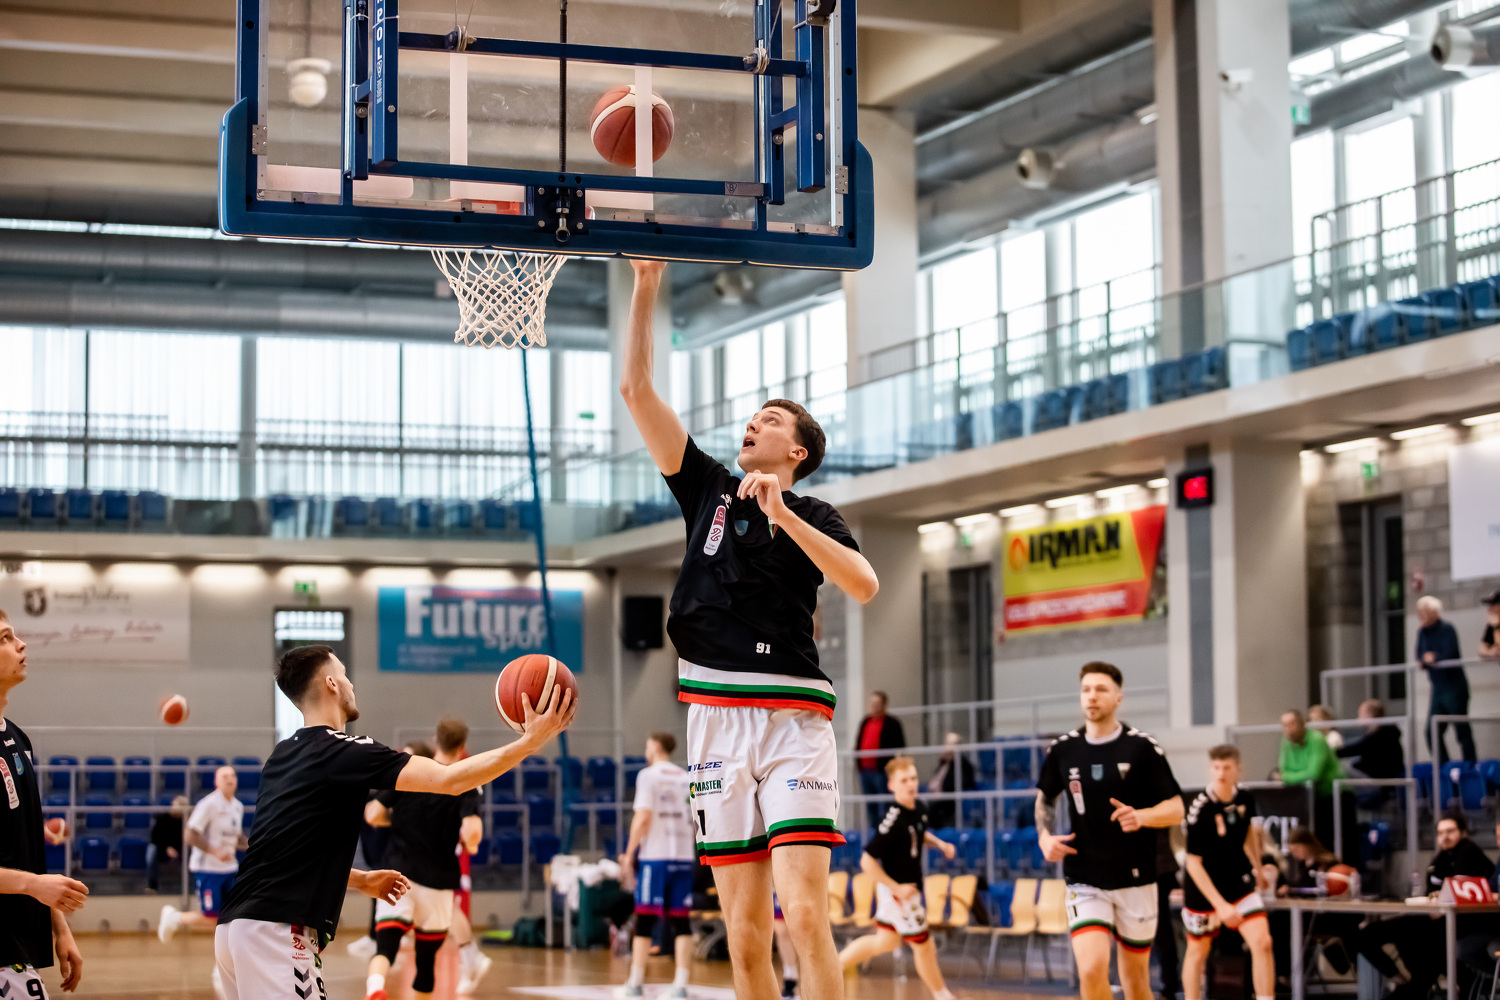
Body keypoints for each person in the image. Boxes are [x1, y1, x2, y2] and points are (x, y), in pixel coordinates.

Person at [619, 259, 880, 1000]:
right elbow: (636, 391)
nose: (754, 422)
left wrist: (783, 516)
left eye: (771, 419)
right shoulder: (706, 486)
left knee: (806, 914)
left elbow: (864, 585)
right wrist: (646, 284)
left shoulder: (814, 515)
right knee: (743, 934)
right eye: (753, 416)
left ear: (797, 452)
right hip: (714, 717)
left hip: (794, 719)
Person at [213, 644, 575, 1000]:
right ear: (331, 684)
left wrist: (360, 880)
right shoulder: (345, 750)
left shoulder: (281, 755)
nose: (350, 683)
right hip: (277, 930)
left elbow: (278, 852)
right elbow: (450, 780)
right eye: (344, 674)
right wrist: (529, 743)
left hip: (233, 928)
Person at [1035, 662, 1184, 1000]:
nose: (1092, 696)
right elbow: (1044, 799)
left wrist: (1142, 816)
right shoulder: (1063, 749)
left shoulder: (1142, 747)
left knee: (1136, 981)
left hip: (1136, 878)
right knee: (1091, 969)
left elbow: (1176, 808)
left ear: (1118, 697)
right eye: (1086, 689)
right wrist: (1044, 837)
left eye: (1101, 689)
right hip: (1085, 876)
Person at [0, 609, 86, 996]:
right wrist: (34, 884)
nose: (21, 645)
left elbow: (27, 849)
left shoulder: (19, 739)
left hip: (19, 942)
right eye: (5, 638)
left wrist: (59, 926)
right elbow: (31, 877)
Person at [362, 730, 483, 1000]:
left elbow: (372, 813)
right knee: (426, 963)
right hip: (437, 882)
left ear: (435, 742)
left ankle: (375, 987)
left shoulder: (409, 776)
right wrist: (471, 844)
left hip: (398, 873)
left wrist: (396, 820)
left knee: (385, 949)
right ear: (462, 747)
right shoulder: (464, 784)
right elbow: (473, 832)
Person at [838, 756, 957, 1000]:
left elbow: (919, 833)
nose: (911, 784)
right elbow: (867, 861)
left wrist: (941, 845)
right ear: (891, 785)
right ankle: (943, 996)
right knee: (924, 946)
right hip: (899, 893)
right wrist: (897, 889)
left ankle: (832, 967)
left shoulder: (919, 808)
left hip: (906, 891)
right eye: (904, 780)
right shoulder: (892, 820)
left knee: (885, 942)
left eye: (913, 778)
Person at [1360, 811, 1494, 1000]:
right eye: (1440, 832)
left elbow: (1459, 891)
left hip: (1466, 922)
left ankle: (1417, 987)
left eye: (1450, 831)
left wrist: (1439, 899)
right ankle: (1409, 983)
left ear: (1463, 832)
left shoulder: (1468, 851)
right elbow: (1432, 890)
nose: (1445, 837)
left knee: (1416, 939)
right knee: (1382, 935)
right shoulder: (1442, 857)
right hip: (1436, 919)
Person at [1180, 746, 1273, 1000]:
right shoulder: (1199, 809)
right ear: (1210, 769)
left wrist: (1258, 868)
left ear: (1238, 769)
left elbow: (1248, 832)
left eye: (1227, 767)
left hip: (1237, 880)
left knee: (1263, 942)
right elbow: (1193, 863)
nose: (1221, 773)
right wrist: (1220, 906)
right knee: (1198, 951)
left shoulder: (1246, 798)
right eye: (1216, 767)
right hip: (1203, 887)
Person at [618, 733, 696, 1000]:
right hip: (684, 855)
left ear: (657, 746)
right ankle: (681, 985)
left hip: (656, 856)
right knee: (682, 921)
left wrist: (629, 854)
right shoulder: (686, 777)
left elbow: (642, 817)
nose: (646, 748)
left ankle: (635, 983)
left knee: (645, 919)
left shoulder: (648, 776)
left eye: (648, 744)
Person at [160, 766, 247, 943]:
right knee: (212, 919)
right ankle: (175, 917)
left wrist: (254, 846)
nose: (229, 779)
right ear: (216, 781)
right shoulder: (209, 804)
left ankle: (224, 958)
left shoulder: (237, 806)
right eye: (224, 776)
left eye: (232, 775)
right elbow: (189, 834)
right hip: (208, 869)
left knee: (232, 918)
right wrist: (213, 850)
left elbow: (237, 837)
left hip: (230, 869)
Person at [1416, 595, 1475, 765]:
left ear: (1434, 612)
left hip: (1454, 686)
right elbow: (1420, 656)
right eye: (1420, 612)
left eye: (1424, 612)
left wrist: (1434, 658)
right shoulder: (1422, 632)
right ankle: (1443, 767)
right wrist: (1428, 659)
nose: (1421, 615)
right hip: (1437, 687)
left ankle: (1470, 765)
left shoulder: (1447, 629)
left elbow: (1450, 653)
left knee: (1461, 729)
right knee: (1431, 731)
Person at [854, 692, 905, 826]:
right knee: (870, 806)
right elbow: (859, 742)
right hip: (865, 771)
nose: (874, 707)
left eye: (877, 704)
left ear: (884, 705)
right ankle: (873, 832)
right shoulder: (866, 721)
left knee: (884, 805)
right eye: (872, 704)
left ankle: (885, 831)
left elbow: (900, 747)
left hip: (881, 771)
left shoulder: (892, 723)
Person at [1334, 698, 1404, 780]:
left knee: (1342, 769)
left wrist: (1331, 751)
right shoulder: (1383, 732)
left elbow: (1357, 748)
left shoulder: (1382, 734)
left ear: (1370, 714)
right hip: (1380, 776)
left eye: (1360, 714)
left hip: (1380, 778)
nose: (1358, 718)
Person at [926, 733, 976, 830]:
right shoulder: (944, 763)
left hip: (952, 803)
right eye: (947, 744)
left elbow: (960, 785)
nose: (949, 748)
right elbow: (933, 781)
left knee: (934, 809)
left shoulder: (964, 765)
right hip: (937, 800)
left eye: (952, 744)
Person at [148, 795, 189, 893]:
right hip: (162, 849)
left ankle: (191, 886)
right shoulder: (164, 818)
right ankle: (152, 885)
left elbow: (187, 838)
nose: (174, 808)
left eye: (177, 806)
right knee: (151, 851)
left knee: (192, 851)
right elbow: (155, 838)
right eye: (173, 805)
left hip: (180, 849)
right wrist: (166, 848)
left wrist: (177, 849)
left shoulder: (186, 821)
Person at [1478, 590, 1500, 661]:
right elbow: (1482, 651)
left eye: (1493, 604)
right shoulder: (1492, 625)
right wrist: (1493, 652)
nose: (1489, 608)